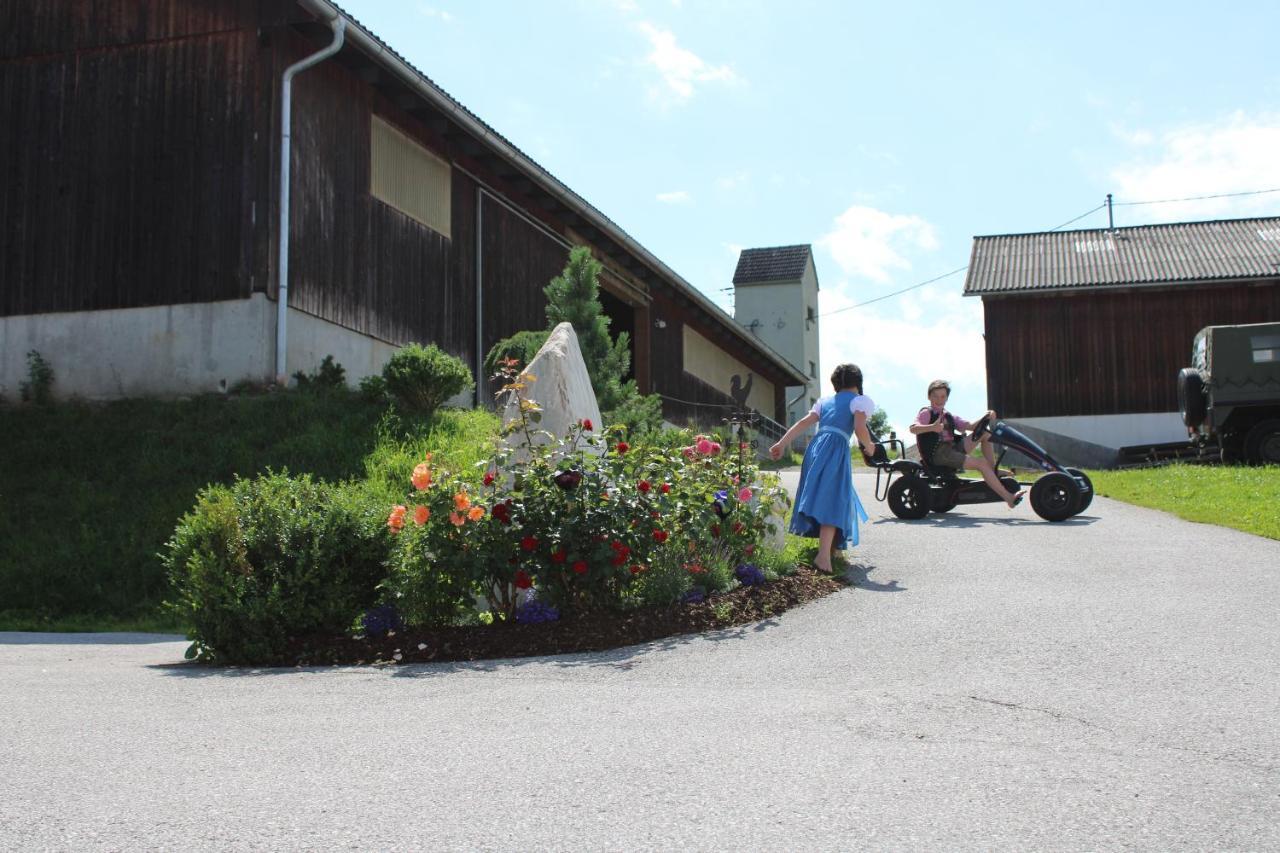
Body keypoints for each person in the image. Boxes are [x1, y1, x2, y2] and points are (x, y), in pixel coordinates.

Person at [769, 363, 875, 574]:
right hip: (836, 449)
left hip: (816, 448)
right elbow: (859, 427)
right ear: (858, 383)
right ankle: (823, 555)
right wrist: (869, 445)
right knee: (834, 499)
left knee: (823, 495)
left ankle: (833, 550)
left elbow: (802, 423)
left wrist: (781, 443)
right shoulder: (860, 401)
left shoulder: (824, 402)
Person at [910, 379, 1026, 508]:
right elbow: (913, 428)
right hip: (938, 454)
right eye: (935, 396)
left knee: (985, 433)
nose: (939, 399)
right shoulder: (926, 412)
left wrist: (986, 416)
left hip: (952, 449)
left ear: (947, 398)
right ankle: (1009, 498)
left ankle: (993, 471)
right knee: (981, 463)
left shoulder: (948, 415)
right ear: (929, 397)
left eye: (942, 396)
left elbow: (971, 426)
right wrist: (931, 427)